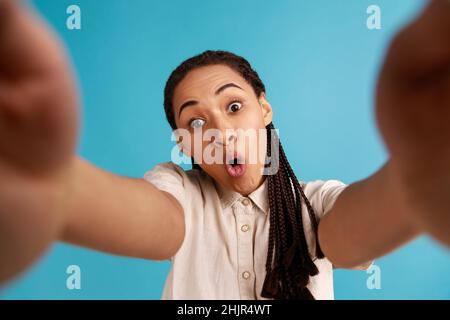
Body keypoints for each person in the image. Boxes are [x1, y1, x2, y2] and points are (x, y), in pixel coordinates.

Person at [0, 0, 448, 299]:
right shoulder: (179, 193)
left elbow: (350, 239)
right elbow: (148, 221)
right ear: (184, 143)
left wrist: (416, 176)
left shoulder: (314, 203)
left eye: (234, 105)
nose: (220, 130)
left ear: (265, 108)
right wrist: (54, 188)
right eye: (196, 121)